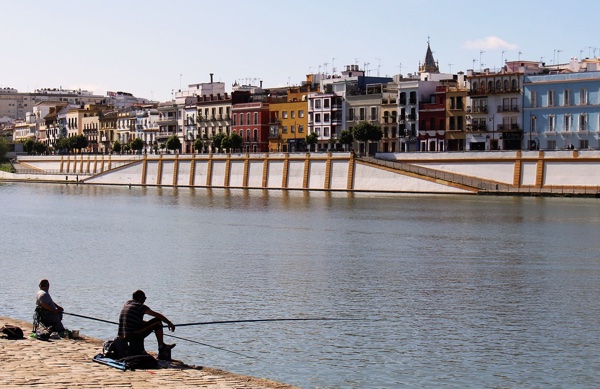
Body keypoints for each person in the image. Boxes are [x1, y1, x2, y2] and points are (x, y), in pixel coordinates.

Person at [118, 289, 176, 356]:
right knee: (158, 322)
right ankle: (161, 346)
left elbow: (134, 320)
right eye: (144, 298)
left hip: (122, 336)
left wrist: (149, 325)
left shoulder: (127, 304)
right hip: (132, 334)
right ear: (140, 298)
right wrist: (169, 323)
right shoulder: (140, 306)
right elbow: (157, 315)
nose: (145, 300)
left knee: (143, 326)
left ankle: (141, 350)